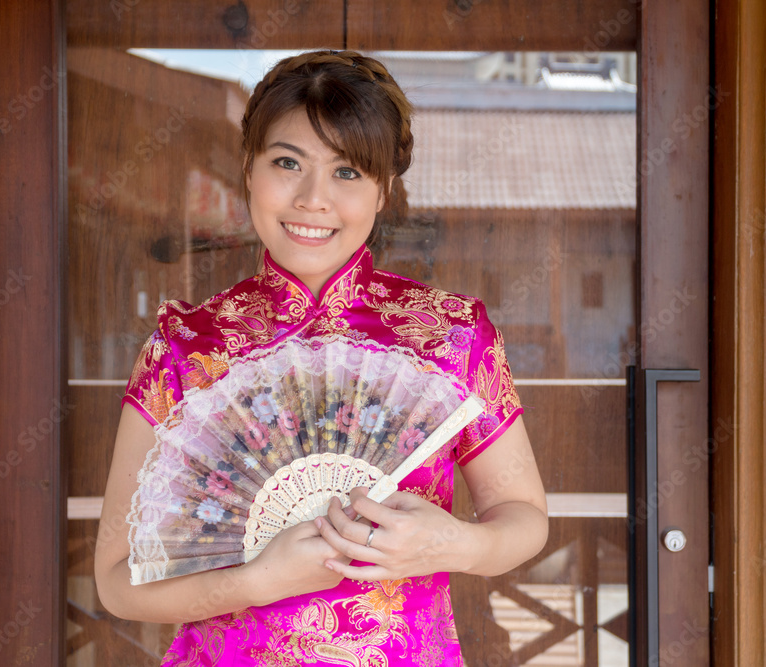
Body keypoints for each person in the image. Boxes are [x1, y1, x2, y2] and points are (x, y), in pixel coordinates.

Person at [94, 50, 548, 666]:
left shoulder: (448, 336)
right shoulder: (185, 350)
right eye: (288, 163)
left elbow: (523, 519)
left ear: (385, 189)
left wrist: (454, 544)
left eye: (348, 173)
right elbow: (118, 582)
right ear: (249, 170)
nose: (313, 199)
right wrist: (257, 581)